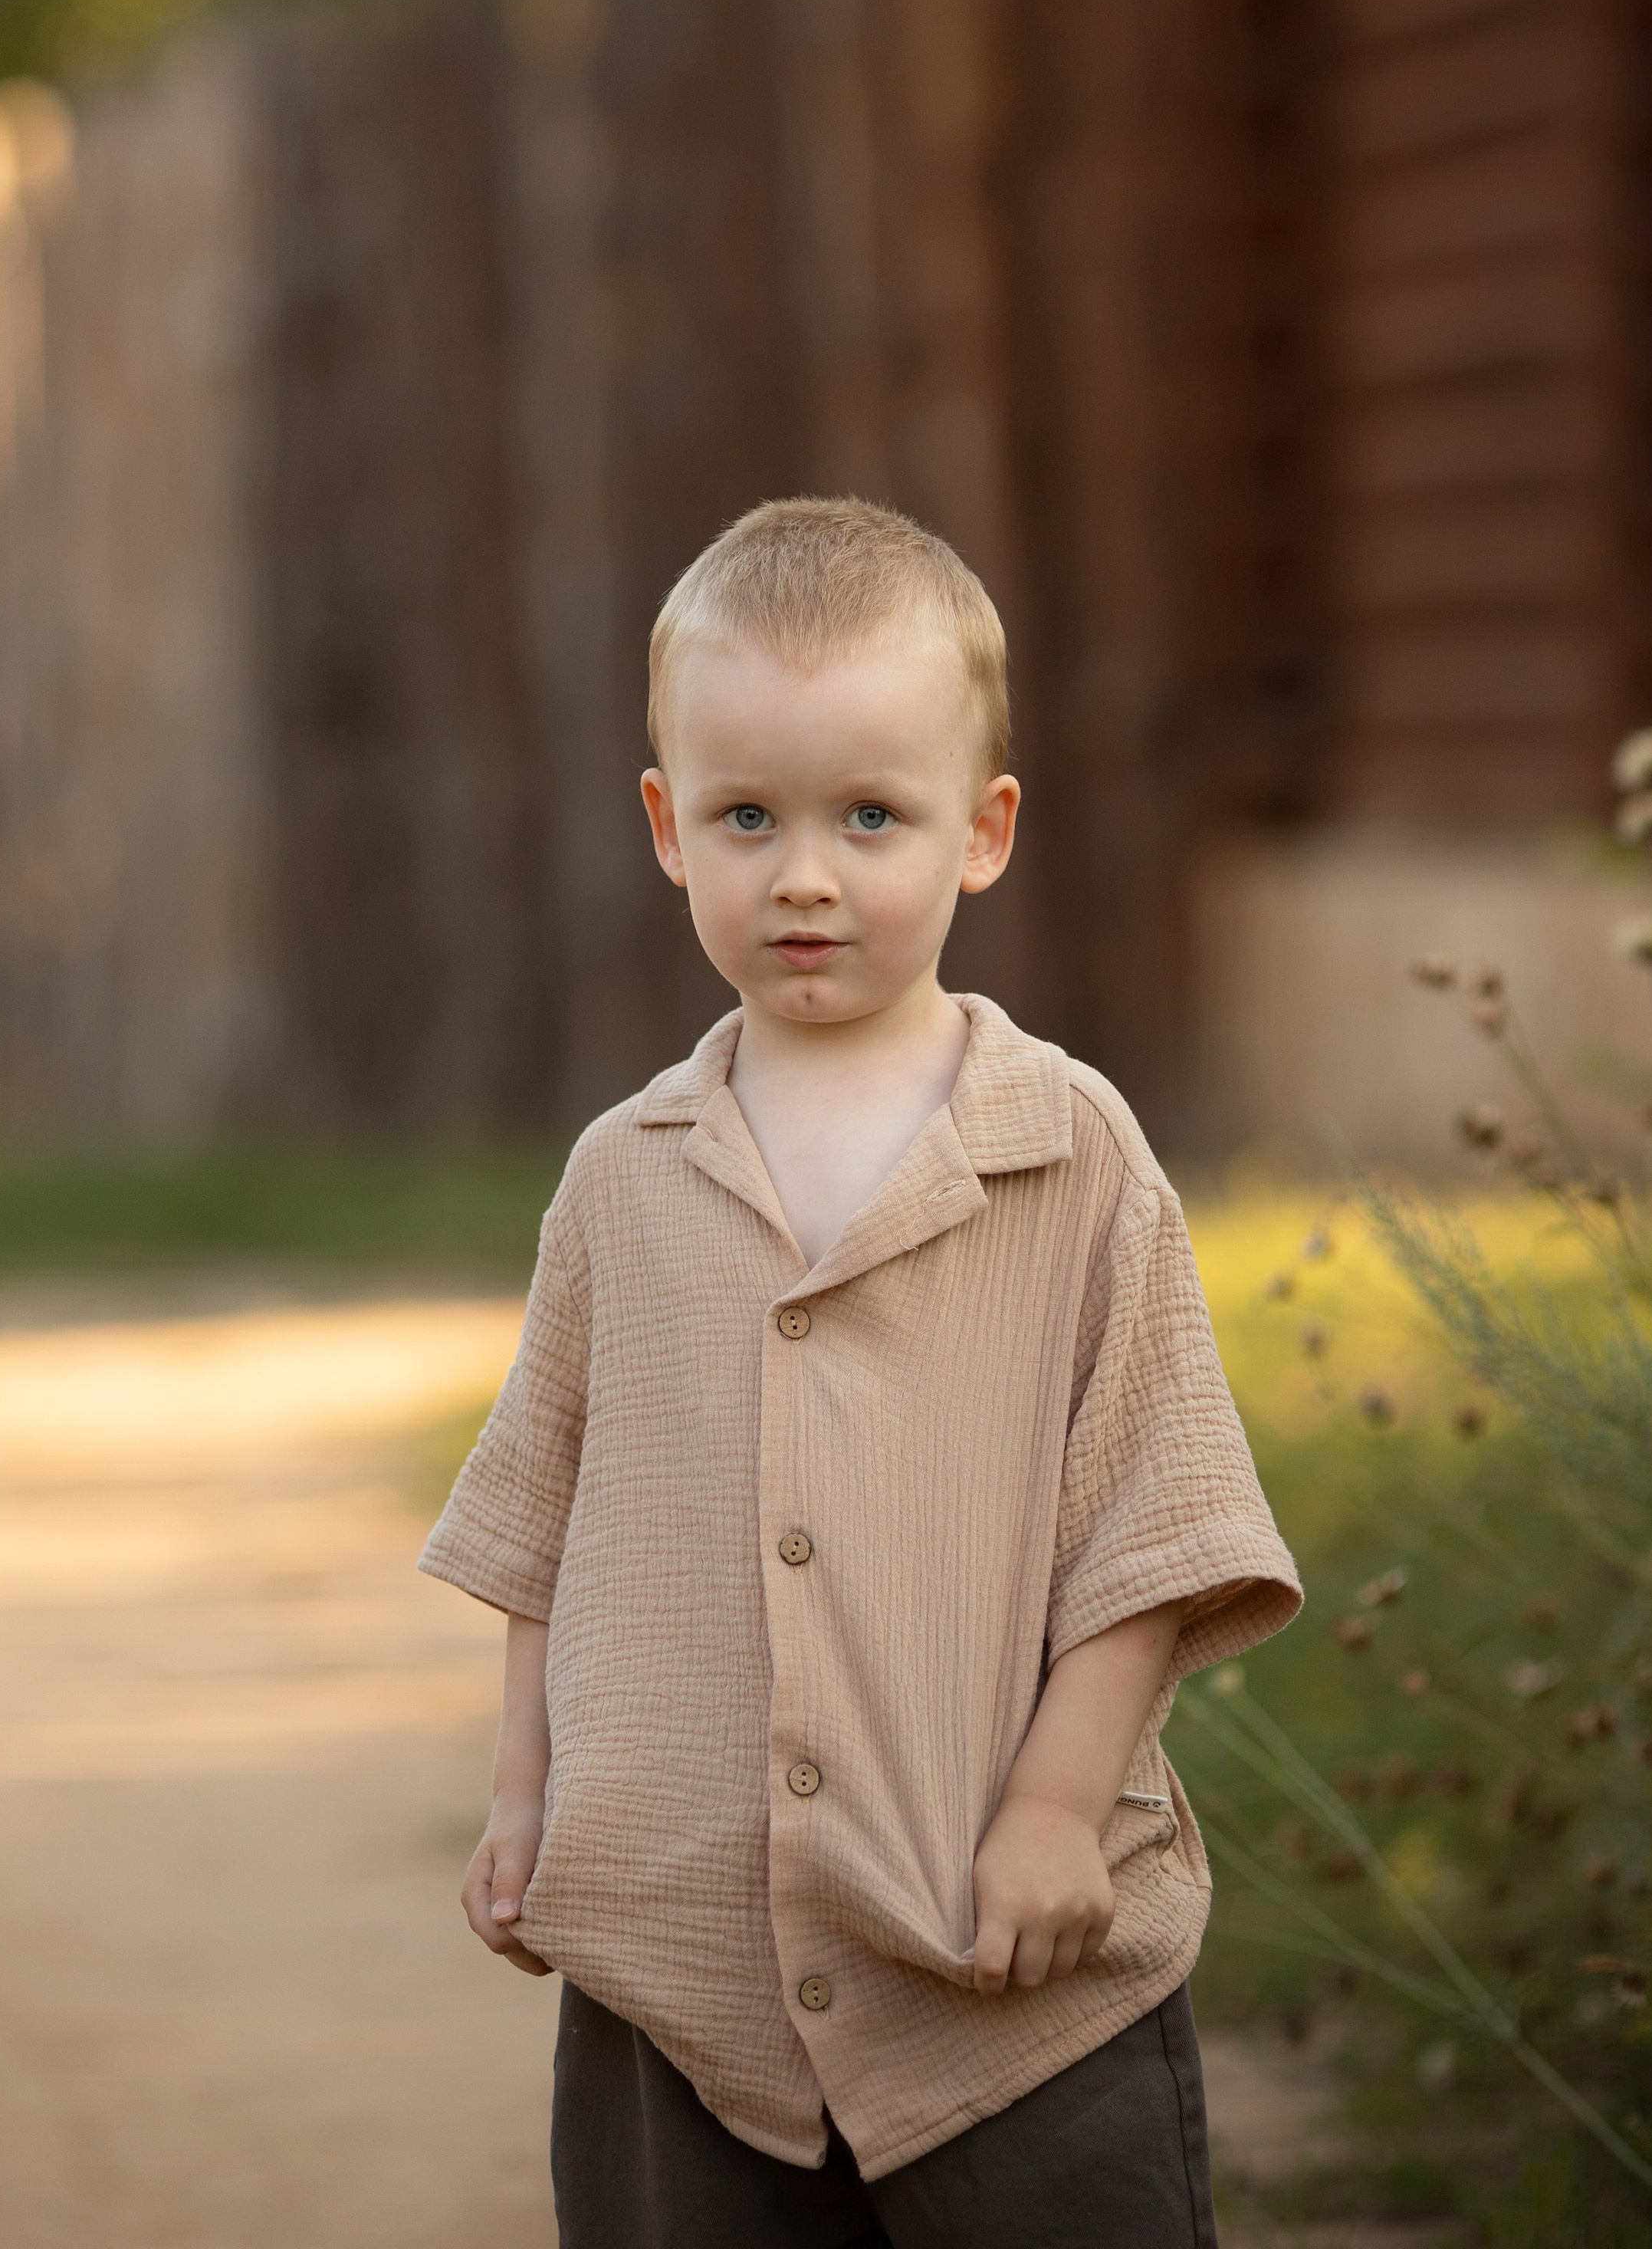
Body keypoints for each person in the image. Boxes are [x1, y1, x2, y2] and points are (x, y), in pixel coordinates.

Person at [420, 496, 1301, 2246]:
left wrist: (1055, 1812)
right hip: (684, 1969)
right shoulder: (624, 1175)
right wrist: (526, 1798)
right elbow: (545, 1517)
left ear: (981, 834)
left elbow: (1152, 1518)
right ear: (668, 829)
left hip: (1005, 1963)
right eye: (747, 817)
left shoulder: (1068, 1155)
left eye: (869, 819)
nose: (803, 873)